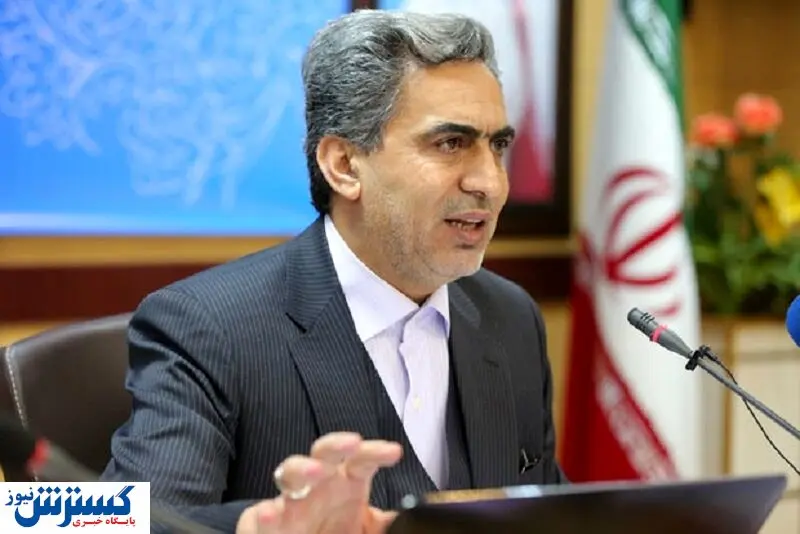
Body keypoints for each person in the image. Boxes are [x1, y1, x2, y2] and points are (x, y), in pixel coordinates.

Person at [101, 8, 567, 534]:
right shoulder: (207, 328)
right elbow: (90, 521)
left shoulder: (510, 318)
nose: (490, 182)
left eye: (498, 145)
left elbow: (547, 511)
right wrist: (254, 526)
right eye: (450, 144)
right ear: (344, 165)